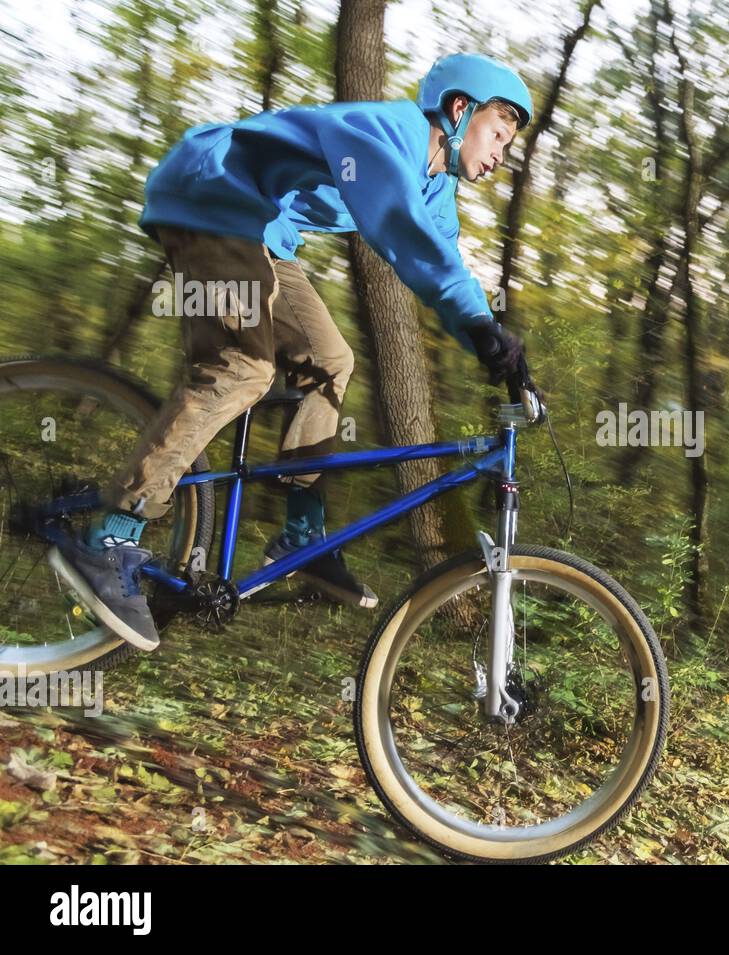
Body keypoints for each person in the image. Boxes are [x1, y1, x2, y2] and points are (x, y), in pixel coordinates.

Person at [49, 52, 534, 651]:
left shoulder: (436, 188)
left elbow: (444, 265)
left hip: (263, 235)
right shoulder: (385, 134)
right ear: (459, 111)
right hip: (211, 200)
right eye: (497, 135)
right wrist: (484, 332)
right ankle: (112, 533)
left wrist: (496, 346)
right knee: (241, 367)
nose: (499, 156)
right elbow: (399, 228)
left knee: (330, 361)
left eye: (508, 145)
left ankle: (302, 537)